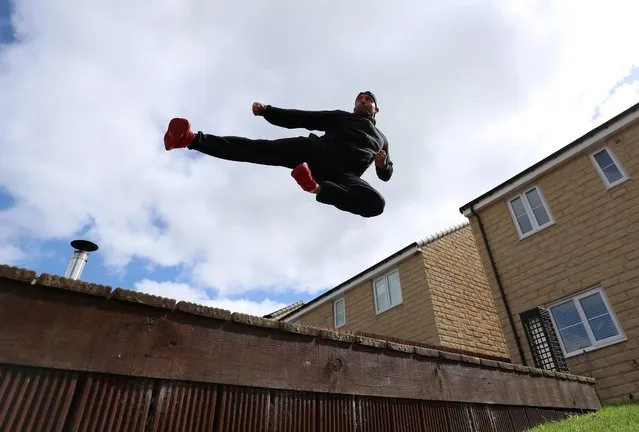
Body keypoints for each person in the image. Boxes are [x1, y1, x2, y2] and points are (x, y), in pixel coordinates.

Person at [163, 91, 393, 217]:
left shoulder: (382, 139)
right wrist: (268, 112)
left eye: (368, 99)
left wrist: (382, 166)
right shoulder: (341, 117)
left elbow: (386, 174)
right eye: (359, 99)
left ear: (376, 108)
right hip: (314, 153)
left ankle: (315, 188)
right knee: (258, 149)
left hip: (343, 176)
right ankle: (190, 139)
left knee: (376, 204)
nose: (363, 101)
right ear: (354, 106)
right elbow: (303, 117)